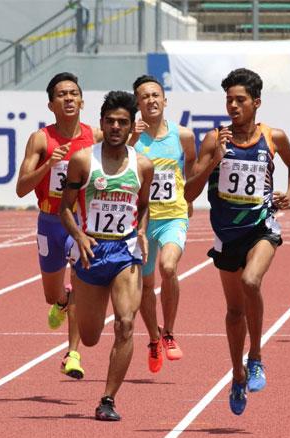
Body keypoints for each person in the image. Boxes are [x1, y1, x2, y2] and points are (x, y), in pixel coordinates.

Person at [185, 68, 290, 416]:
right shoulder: (214, 140)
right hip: (226, 234)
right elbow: (189, 192)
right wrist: (213, 162)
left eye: (240, 100)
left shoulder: (274, 137)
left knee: (252, 280)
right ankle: (237, 372)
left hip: (261, 225)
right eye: (229, 100)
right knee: (234, 311)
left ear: (256, 103)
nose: (233, 106)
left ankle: (256, 358)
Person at [59, 90, 154, 421]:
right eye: (110, 121)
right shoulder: (84, 160)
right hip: (91, 251)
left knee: (126, 324)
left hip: (124, 251)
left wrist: (141, 231)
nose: (116, 127)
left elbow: (143, 207)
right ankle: (70, 303)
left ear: (131, 127)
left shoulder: (143, 165)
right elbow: (64, 208)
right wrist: (78, 235)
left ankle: (108, 400)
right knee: (89, 336)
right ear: (101, 123)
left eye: (122, 122)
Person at [15, 72, 102, 379]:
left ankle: (73, 354)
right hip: (50, 221)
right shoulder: (41, 139)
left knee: (80, 280)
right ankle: (61, 302)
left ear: (81, 101)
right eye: (62, 94)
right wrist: (48, 165)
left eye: (73, 93)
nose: (68, 98)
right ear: (51, 104)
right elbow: (21, 188)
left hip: (80, 222)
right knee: (53, 295)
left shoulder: (96, 137)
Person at [129, 75, 196, 373]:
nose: (151, 100)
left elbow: (191, 163)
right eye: (145, 97)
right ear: (138, 103)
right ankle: (154, 338)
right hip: (141, 220)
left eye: (156, 95)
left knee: (169, 267)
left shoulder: (183, 135)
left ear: (165, 100)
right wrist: (131, 139)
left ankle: (168, 332)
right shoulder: (132, 137)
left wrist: (189, 195)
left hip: (172, 216)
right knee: (146, 284)